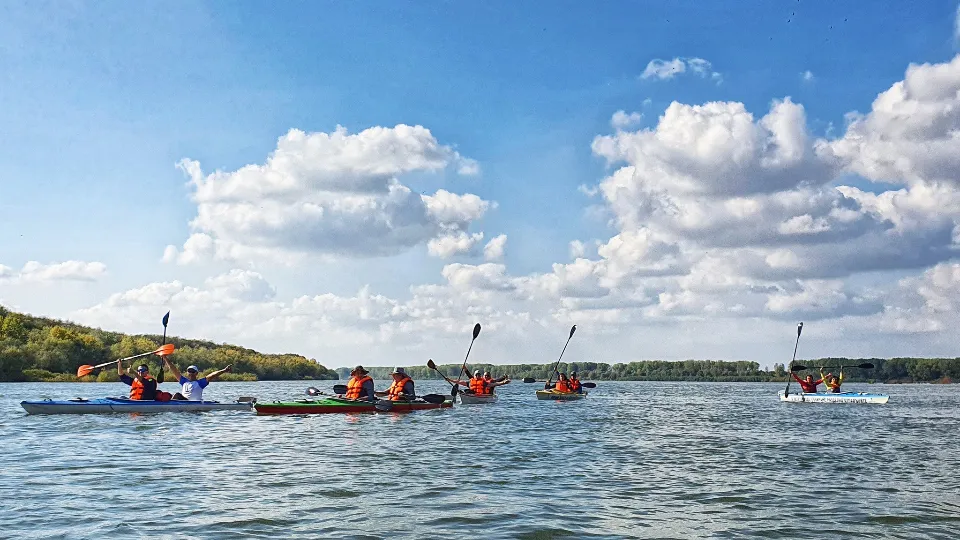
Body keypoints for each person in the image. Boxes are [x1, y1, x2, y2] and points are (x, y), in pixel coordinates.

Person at [162, 358, 232, 401]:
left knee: (177, 395)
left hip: (194, 403)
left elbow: (212, 375)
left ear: (196, 373)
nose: (191, 373)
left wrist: (224, 370)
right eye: (189, 371)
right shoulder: (183, 381)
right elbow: (173, 368)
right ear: (187, 372)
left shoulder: (201, 383)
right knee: (170, 395)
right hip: (184, 402)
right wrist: (165, 357)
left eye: (193, 372)